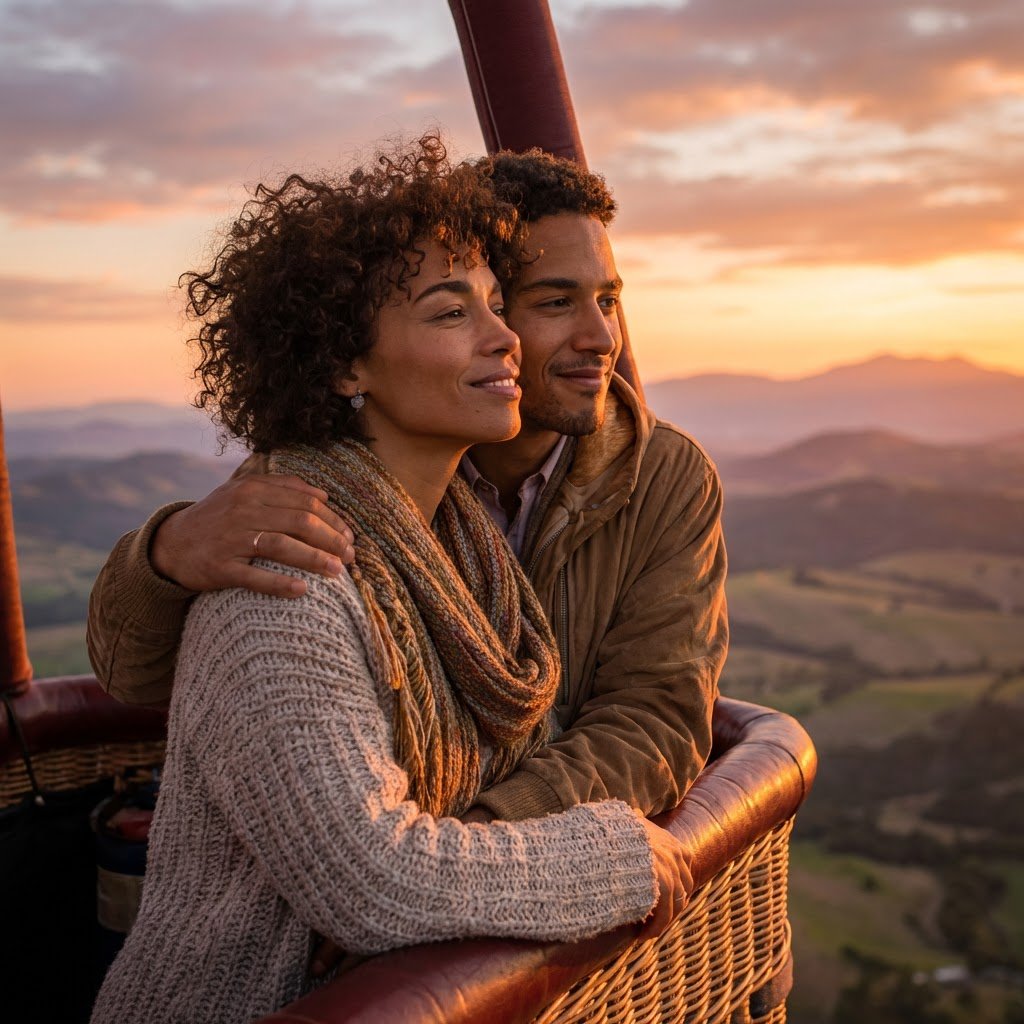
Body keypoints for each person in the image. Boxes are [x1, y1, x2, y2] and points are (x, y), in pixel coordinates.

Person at [89, 138, 690, 1024]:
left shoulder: (448, 550)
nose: (505, 338)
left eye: (496, 304)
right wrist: (612, 859)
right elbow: (368, 878)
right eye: (454, 314)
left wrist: (484, 853)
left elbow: (650, 707)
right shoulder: (288, 568)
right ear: (344, 366)